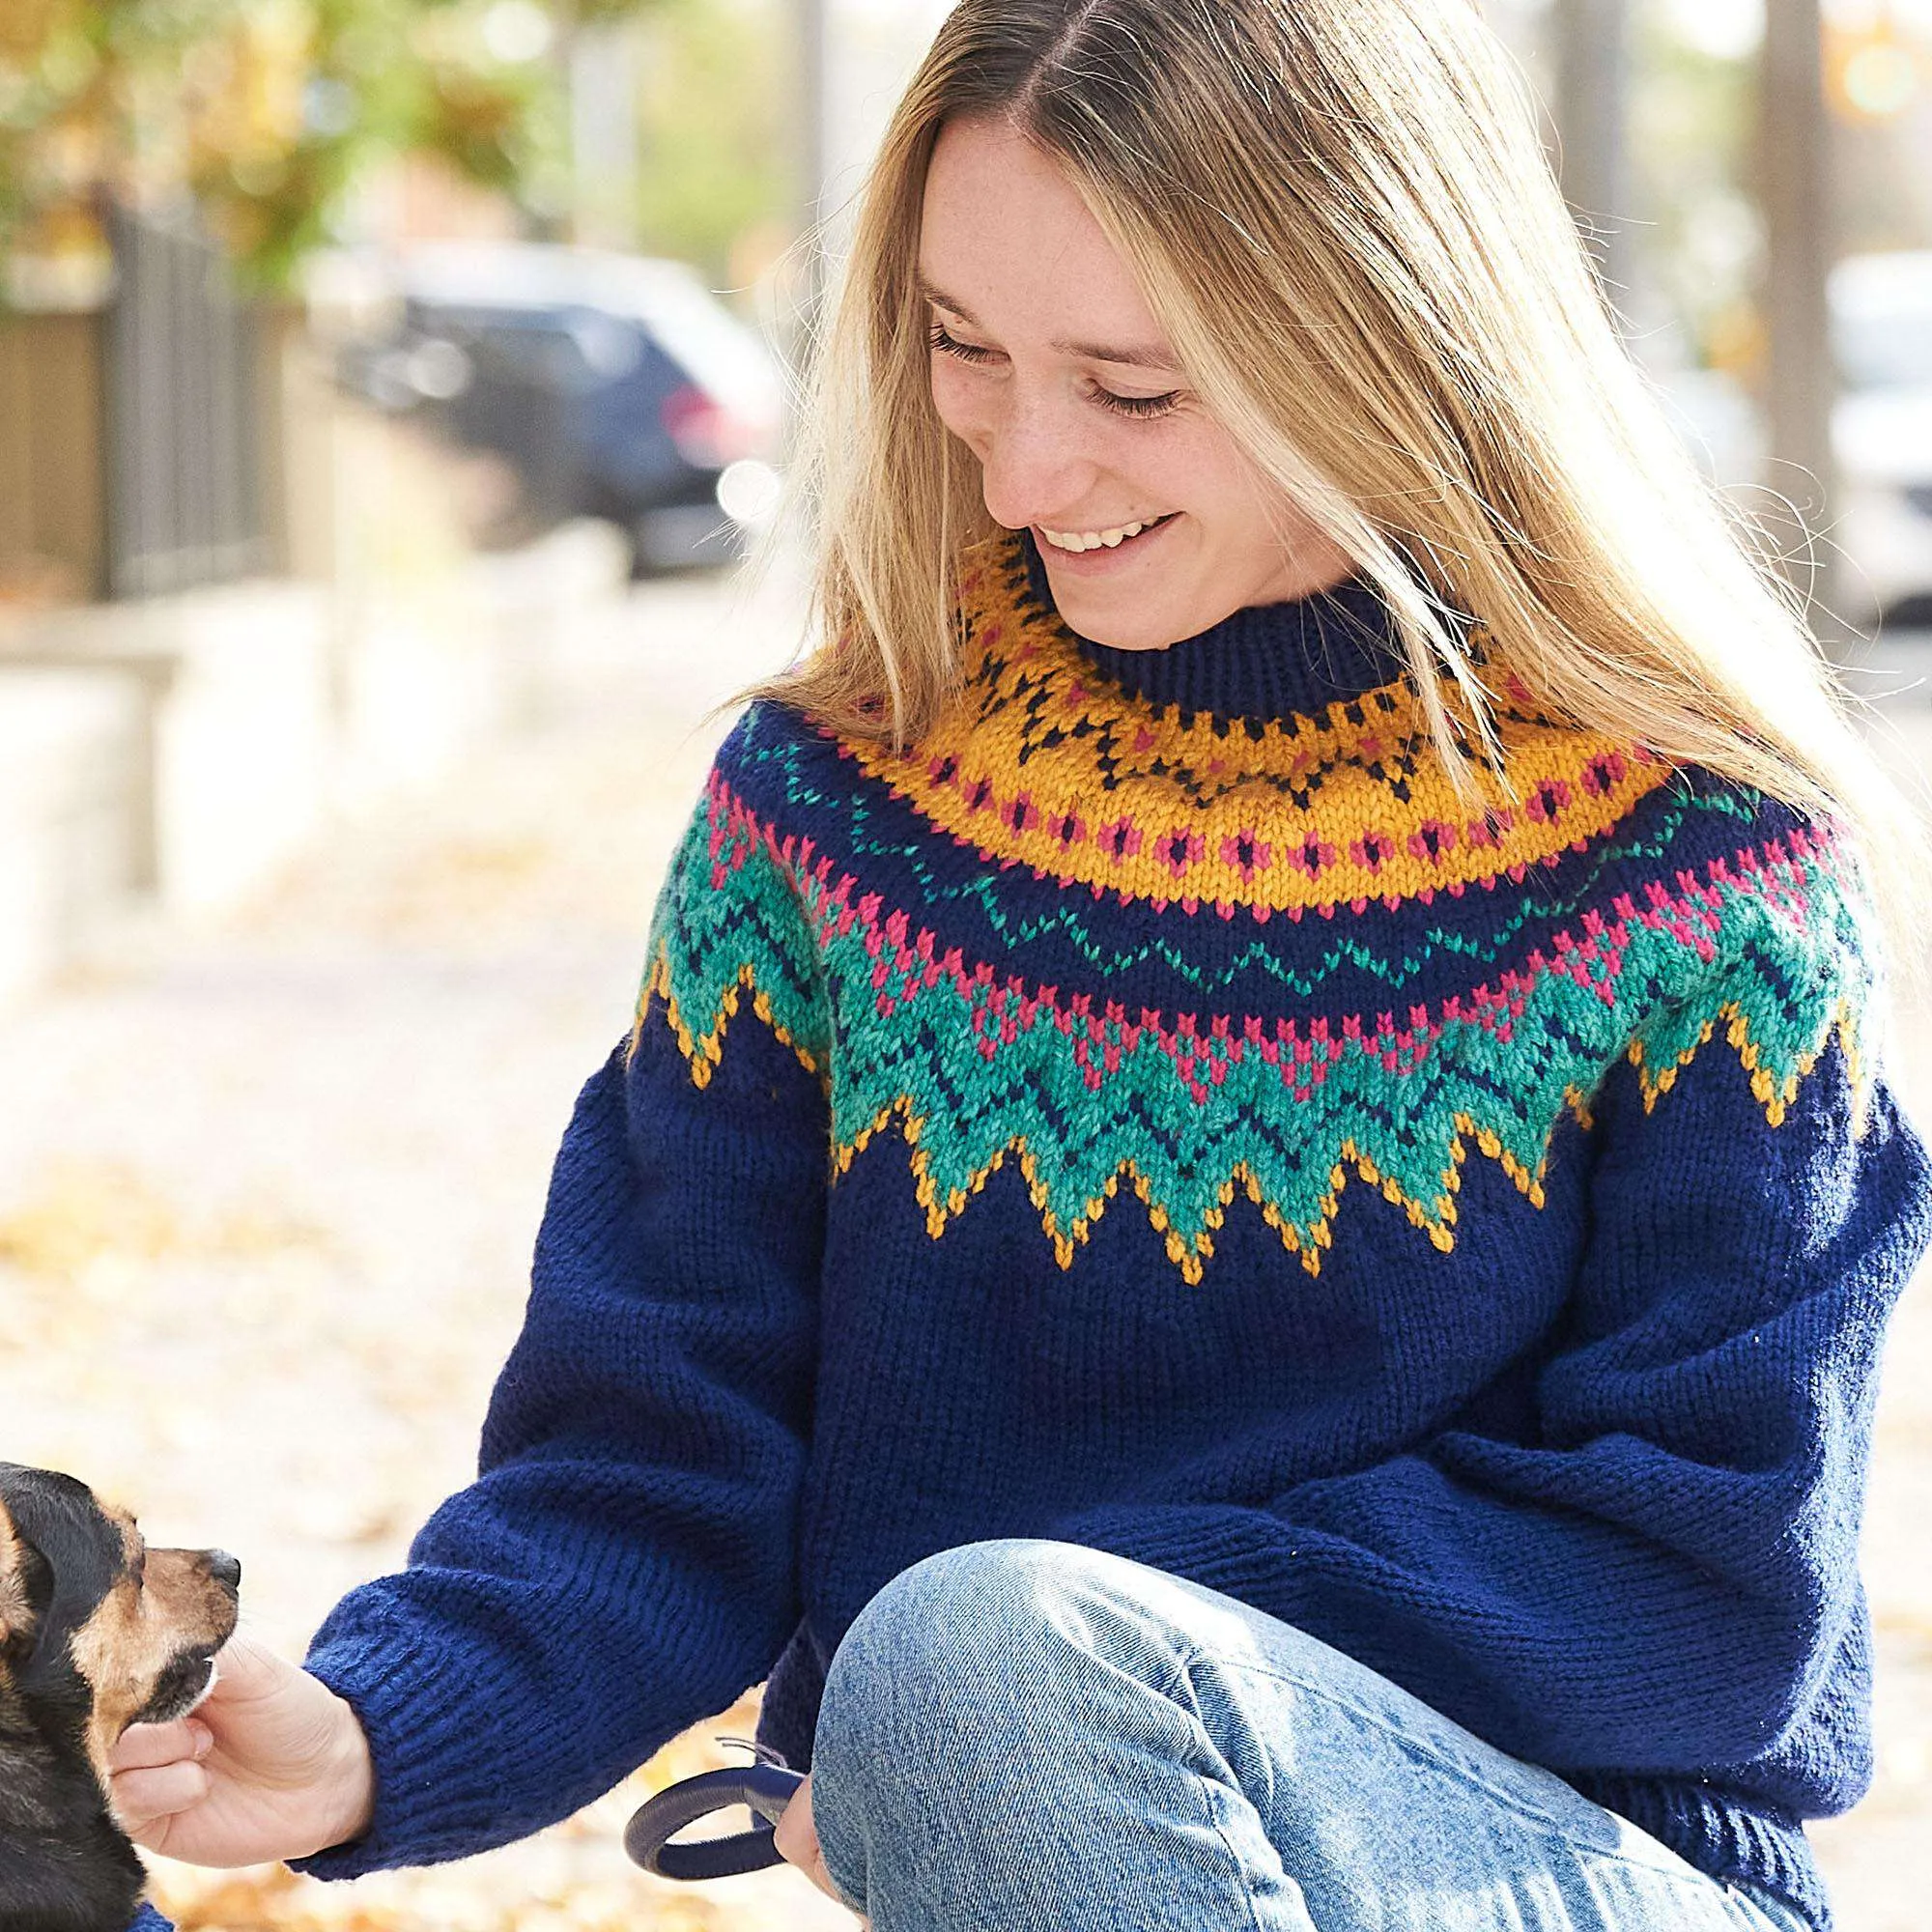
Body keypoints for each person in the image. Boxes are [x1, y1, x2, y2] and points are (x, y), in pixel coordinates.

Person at [109, 3, 1932, 1929]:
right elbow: (661, 1457)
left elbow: (1709, 1574)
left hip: (1587, 1871)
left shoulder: (1690, 858)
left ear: (1390, 341)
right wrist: (375, 1735)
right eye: (963, 350)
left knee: (977, 1662)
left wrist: (1022, 1676)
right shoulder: (829, 813)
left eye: (1133, 389)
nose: (1018, 468)